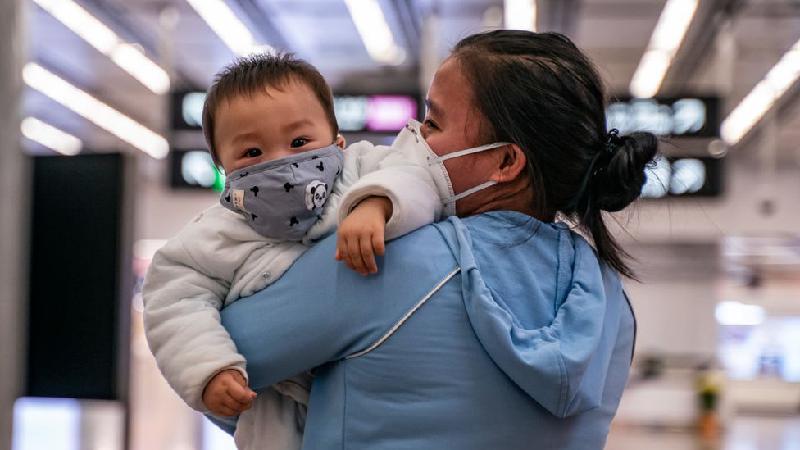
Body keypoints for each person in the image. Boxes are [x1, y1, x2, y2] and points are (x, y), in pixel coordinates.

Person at [213, 30, 658, 449]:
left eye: (432, 123)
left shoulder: (388, 259)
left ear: (505, 161)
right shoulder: (611, 299)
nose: (413, 139)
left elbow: (216, 363)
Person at [142, 53, 442, 450]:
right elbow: (172, 301)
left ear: (338, 142)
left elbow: (418, 176)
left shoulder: (363, 170)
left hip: (382, 389)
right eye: (252, 153)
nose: (282, 162)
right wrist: (208, 369)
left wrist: (377, 203)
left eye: (300, 142)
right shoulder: (214, 234)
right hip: (278, 415)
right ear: (224, 170)